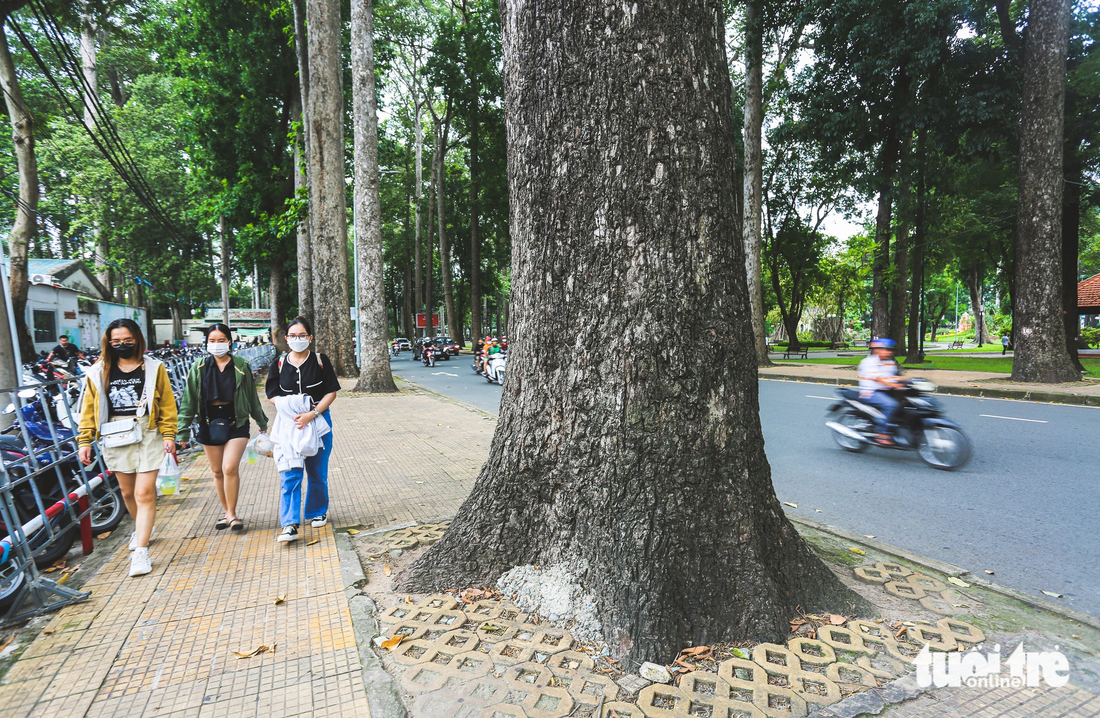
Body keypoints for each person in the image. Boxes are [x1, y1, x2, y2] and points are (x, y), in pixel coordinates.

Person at [77, 318, 177, 577]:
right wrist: (85, 440)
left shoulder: (154, 368)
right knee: (128, 492)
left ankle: (141, 552)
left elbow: (167, 403)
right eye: (116, 341)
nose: (122, 345)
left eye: (127, 340)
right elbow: (89, 408)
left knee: (144, 494)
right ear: (109, 343)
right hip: (115, 433)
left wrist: (169, 434)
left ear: (137, 339)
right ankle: (142, 527)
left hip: (148, 431)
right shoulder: (99, 371)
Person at [176, 324, 270, 533]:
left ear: (229, 341)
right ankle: (226, 512)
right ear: (206, 343)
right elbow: (189, 400)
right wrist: (182, 430)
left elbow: (251, 396)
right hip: (209, 424)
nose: (217, 344)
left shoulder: (240, 365)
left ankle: (233, 514)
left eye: (221, 340)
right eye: (212, 340)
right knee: (217, 471)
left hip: (237, 422)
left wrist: (261, 422)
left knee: (229, 468)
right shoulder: (199, 367)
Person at [265, 317, 340, 543]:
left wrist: (312, 413)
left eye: (302, 336)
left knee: (317, 472)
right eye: (293, 336)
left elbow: (331, 392)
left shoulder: (320, 361)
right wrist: (292, 410)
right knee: (290, 473)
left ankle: (317, 511)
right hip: (290, 425)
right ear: (286, 339)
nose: (298, 339)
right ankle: (289, 524)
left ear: (310, 337)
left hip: (318, 422)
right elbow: (272, 395)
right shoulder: (279, 363)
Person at [857, 337, 904, 446]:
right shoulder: (868, 362)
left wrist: (911, 380)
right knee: (891, 405)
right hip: (870, 392)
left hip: (886, 391)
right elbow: (878, 378)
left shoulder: (890, 363)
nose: (889, 352)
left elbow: (893, 377)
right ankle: (881, 433)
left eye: (890, 350)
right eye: (885, 349)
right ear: (877, 350)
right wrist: (894, 385)